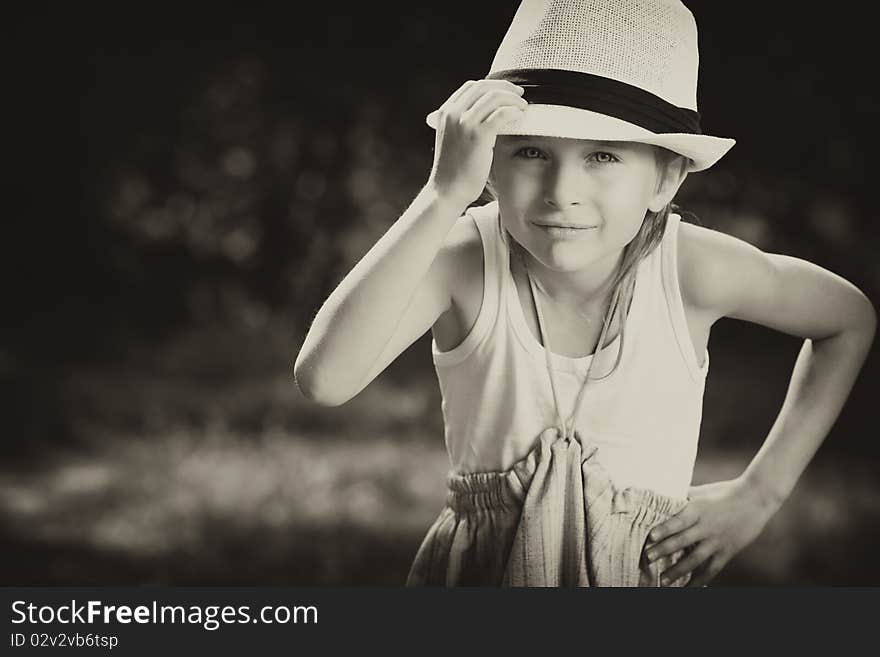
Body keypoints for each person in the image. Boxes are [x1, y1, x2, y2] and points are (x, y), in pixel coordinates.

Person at [293, 0, 876, 586]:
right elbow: (326, 380)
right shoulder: (464, 261)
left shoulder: (693, 269)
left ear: (665, 179)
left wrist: (761, 494)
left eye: (602, 156)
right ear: (488, 165)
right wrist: (443, 196)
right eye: (530, 152)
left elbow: (847, 318)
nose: (560, 191)